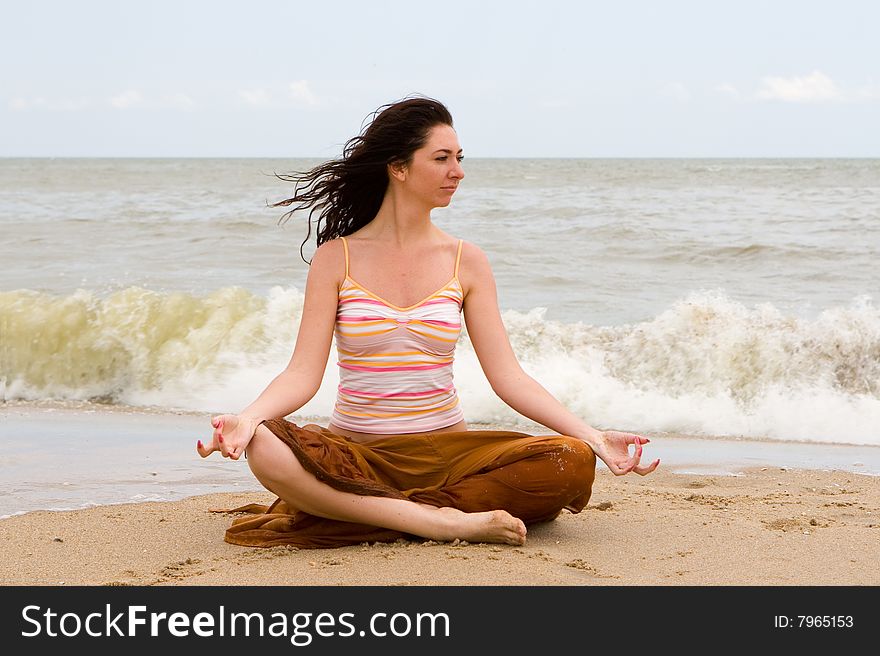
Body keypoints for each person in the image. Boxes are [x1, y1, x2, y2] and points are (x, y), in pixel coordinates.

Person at [197, 96, 659, 548]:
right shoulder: (336, 259)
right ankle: (435, 521)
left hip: (447, 458)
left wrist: (593, 436)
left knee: (571, 460)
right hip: (358, 454)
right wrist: (250, 417)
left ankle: (360, 510)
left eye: (459, 158)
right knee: (263, 446)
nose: (457, 171)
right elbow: (302, 373)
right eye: (441, 158)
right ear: (398, 168)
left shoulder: (466, 261)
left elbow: (509, 377)